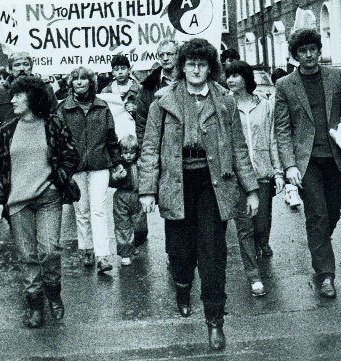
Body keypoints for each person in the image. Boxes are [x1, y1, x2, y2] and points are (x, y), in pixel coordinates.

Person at [139, 38, 259, 351]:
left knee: (213, 254)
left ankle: (215, 321)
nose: (195, 70)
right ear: (182, 67)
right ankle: (182, 285)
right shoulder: (163, 101)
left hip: (213, 184)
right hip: (176, 184)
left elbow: (238, 147)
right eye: (190, 64)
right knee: (180, 253)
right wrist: (147, 190)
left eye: (201, 65)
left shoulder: (224, 100)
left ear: (210, 68)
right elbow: (150, 147)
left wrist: (251, 189)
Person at [274, 28, 341, 299]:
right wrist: (289, 165)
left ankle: (319, 242)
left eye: (312, 50)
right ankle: (325, 274)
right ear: (295, 55)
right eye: (302, 51)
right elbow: (282, 129)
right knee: (317, 213)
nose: (308, 55)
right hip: (306, 162)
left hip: (335, 157)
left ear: (319, 51)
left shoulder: (335, 77)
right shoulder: (285, 85)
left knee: (333, 208)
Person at [0, 75, 80, 328]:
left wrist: (56, 181)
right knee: (27, 256)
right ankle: (35, 306)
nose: (12, 100)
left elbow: (71, 155)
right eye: (13, 95)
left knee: (49, 250)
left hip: (48, 198)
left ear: (33, 98)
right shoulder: (7, 130)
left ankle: (53, 292)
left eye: (18, 95)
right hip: (17, 203)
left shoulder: (52, 123)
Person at [226, 60, 283, 297]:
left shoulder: (264, 105)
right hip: (238, 175)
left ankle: (262, 244)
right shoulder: (225, 105)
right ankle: (253, 276)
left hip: (262, 172)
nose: (230, 80)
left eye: (235, 75)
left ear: (246, 78)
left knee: (261, 225)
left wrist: (278, 171)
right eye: (228, 76)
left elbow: (272, 139)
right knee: (244, 227)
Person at [57, 66, 122, 274]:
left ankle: (102, 256)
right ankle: (86, 248)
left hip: (99, 164)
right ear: (70, 83)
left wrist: (117, 162)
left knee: (99, 209)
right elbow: (58, 139)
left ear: (91, 82)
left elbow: (111, 137)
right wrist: (63, 165)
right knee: (82, 210)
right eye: (75, 79)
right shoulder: (63, 108)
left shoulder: (102, 106)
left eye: (83, 78)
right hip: (74, 167)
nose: (79, 82)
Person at [0, 52, 54, 143]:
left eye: (26, 64)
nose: (22, 68)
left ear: (31, 68)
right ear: (10, 70)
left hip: (40, 143)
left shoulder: (45, 89)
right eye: (17, 65)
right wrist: (1, 144)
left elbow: (54, 118)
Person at [111, 135, 147, 266]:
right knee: (122, 226)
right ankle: (125, 254)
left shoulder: (140, 164)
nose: (128, 156)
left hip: (137, 196)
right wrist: (116, 176)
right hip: (121, 197)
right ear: (120, 153)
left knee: (140, 225)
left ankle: (136, 243)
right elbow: (110, 181)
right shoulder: (118, 166)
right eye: (125, 153)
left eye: (132, 152)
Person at [135, 39, 179, 142]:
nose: (165, 58)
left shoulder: (188, 82)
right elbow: (141, 124)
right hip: (159, 145)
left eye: (169, 54)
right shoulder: (148, 87)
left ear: (178, 55)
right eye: (161, 55)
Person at [270, 67, 302, 209]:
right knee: (284, 165)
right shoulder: (272, 100)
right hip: (277, 136)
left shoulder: (292, 96)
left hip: (288, 136)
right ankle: (290, 192)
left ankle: (292, 193)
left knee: (290, 163)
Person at [101, 54, 141, 119]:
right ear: (113, 72)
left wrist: (137, 110)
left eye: (123, 68)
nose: (120, 72)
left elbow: (146, 111)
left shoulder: (139, 89)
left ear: (129, 70)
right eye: (116, 69)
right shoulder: (106, 92)